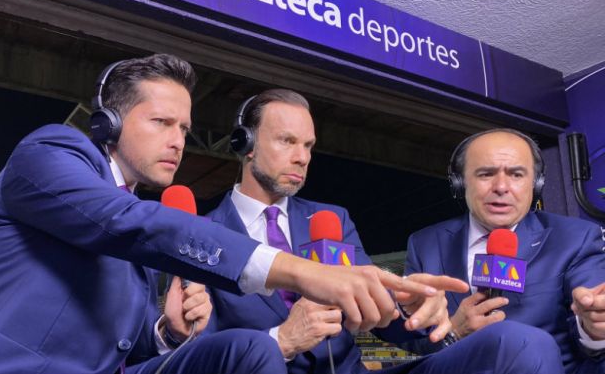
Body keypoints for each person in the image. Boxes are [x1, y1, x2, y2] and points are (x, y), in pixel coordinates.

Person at [0, 54, 451, 374]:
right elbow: (129, 224)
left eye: (184, 128)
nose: (179, 141)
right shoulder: (52, 152)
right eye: (161, 122)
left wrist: (168, 333)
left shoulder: (140, 234)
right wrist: (305, 271)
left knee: (243, 351)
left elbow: (128, 343)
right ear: (108, 124)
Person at [206, 90, 566, 374]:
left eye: (308, 146)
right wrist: (279, 342)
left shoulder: (333, 219)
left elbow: (383, 320)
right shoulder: (204, 234)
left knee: (520, 341)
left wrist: (413, 311)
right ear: (245, 145)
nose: (302, 157)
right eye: (287, 141)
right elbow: (198, 355)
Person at [401, 128, 605, 374]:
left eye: (516, 174)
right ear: (460, 183)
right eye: (486, 174)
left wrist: (594, 327)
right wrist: (454, 332)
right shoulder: (425, 243)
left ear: (536, 184)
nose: (501, 187)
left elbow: (592, 304)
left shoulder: (576, 237)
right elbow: (414, 341)